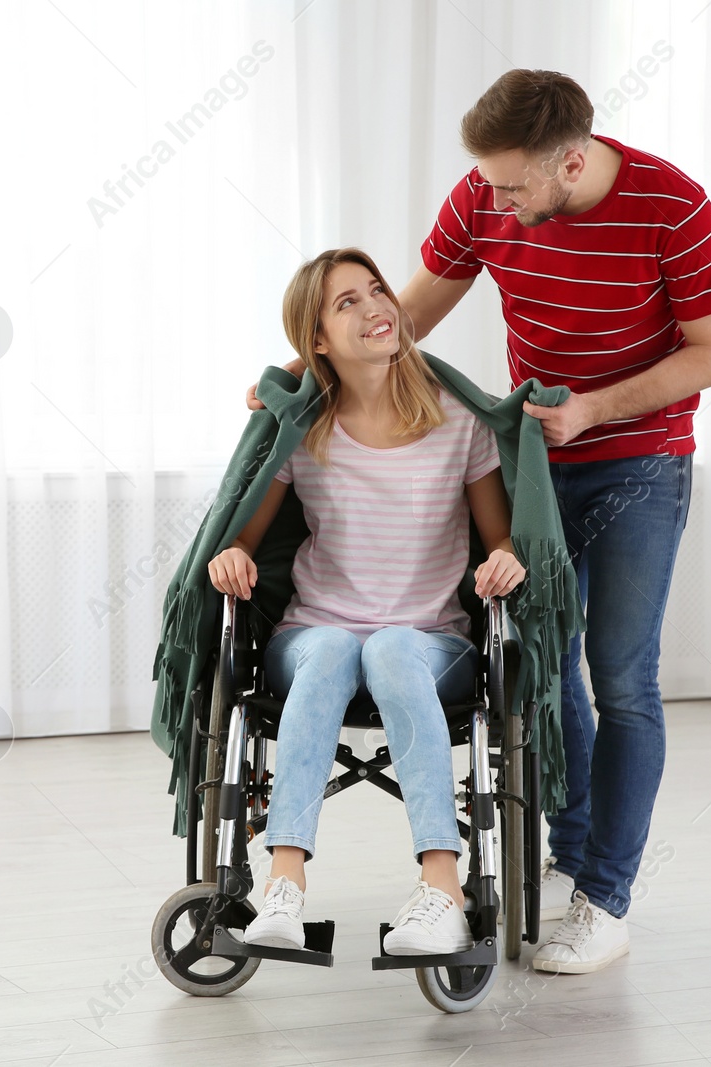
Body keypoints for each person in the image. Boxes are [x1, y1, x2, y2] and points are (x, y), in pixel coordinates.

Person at [246, 70, 711, 974]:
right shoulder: (486, 191)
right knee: (543, 662)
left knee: (622, 674)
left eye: (515, 187)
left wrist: (596, 409)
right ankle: (570, 849)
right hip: (532, 458)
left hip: (639, 461)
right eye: (491, 186)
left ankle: (607, 898)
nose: (498, 204)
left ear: (572, 161)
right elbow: (408, 313)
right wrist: (295, 378)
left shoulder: (673, 207)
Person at [211, 247, 526, 956]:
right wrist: (231, 553)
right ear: (317, 339)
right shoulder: (305, 430)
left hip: (426, 641)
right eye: (346, 302)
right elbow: (247, 537)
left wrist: (504, 557)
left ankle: (441, 888)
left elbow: (498, 537)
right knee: (330, 646)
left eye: (376, 290)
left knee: (385, 645)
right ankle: (283, 886)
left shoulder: (459, 420)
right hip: (316, 635)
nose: (375, 306)